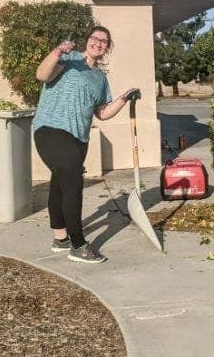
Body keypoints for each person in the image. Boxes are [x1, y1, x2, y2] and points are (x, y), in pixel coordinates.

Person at [33, 26, 138, 264]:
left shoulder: (99, 77)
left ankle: (60, 239)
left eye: (104, 41)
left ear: (107, 48)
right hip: (50, 129)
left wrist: (123, 98)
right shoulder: (69, 59)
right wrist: (58, 51)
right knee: (72, 181)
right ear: (87, 40)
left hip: (79, 138)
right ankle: (78, 244)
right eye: (95, 38)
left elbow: (101, 112)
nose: (98, 43)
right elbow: (42, 74)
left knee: (60, 183)